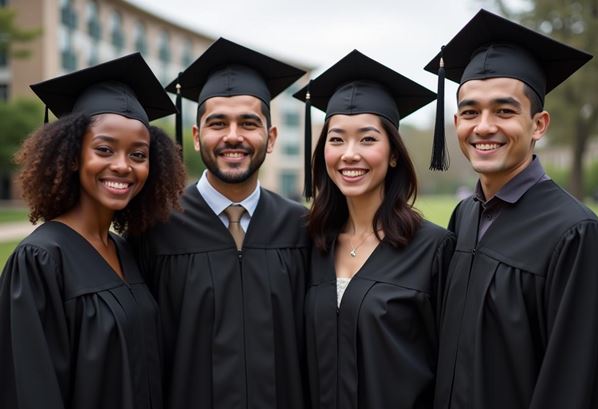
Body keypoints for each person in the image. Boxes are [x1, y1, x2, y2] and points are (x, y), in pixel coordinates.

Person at [423, 9, 598, 409]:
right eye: (470, 112)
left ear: (538, 124)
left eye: (504, 111)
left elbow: (571, 381)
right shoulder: (463, 216)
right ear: (456, 122)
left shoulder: (575, 233)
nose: (483, 127)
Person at [129, 38, 309, 409]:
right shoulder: (155, 227)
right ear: (196, 138)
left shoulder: (303, 228)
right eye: (217, 123)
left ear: (270, 138)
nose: (232, 136)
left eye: (248, 123)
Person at [0, 53, 186, 409]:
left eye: (138, 155)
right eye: (104, 149)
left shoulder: (125, 251)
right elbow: (29, 389)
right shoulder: (40, 260)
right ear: (71, 155)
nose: (122, 166)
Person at [293, 50, 455, 409]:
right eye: (336, 140)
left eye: (367, 139)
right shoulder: (311, 244)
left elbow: (450, 370)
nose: (349, 154)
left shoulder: (433, 249)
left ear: (393, 152)